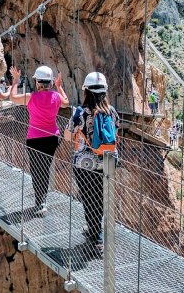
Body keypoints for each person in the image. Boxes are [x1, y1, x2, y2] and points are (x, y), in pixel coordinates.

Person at [66, 71, 119, 249]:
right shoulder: (112, 112)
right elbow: (115, 132)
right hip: (107, 162)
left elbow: (67, 135)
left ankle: (96, 236)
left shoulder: (81, 112)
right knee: (100, 197)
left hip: (84, 164)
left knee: (88, 198)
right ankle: (96, 230)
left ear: (86, 91)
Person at [9, 65, 69, 216]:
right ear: (50, 83)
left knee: (36, 170)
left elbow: (12, 98)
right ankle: (43, 199)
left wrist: (16, 80)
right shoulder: (56, 96)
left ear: (37, 83)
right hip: (52, 138)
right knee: (45, 167)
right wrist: (59, 87)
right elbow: (66, 103)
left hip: (34, 138)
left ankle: (40, 201)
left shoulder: (31, 97)